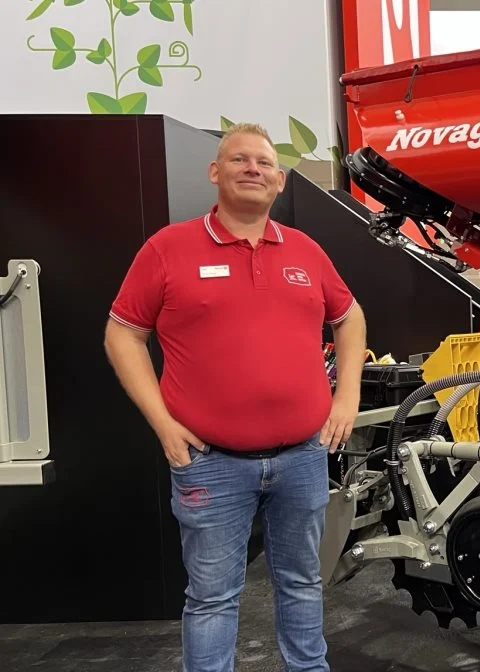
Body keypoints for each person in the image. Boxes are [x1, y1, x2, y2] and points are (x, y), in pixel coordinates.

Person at [103, 122, 366, 672]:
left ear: (280, 181)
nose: (253, 169)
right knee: (212, 598)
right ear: (215, 172)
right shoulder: (168, 249)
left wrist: (346, 400)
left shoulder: (305, 251)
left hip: (302, 459)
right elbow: (122, 333)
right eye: (239, 159)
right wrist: (163, 424)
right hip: (210, 465)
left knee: (301, 582)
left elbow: (349, 316)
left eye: (264, 163)